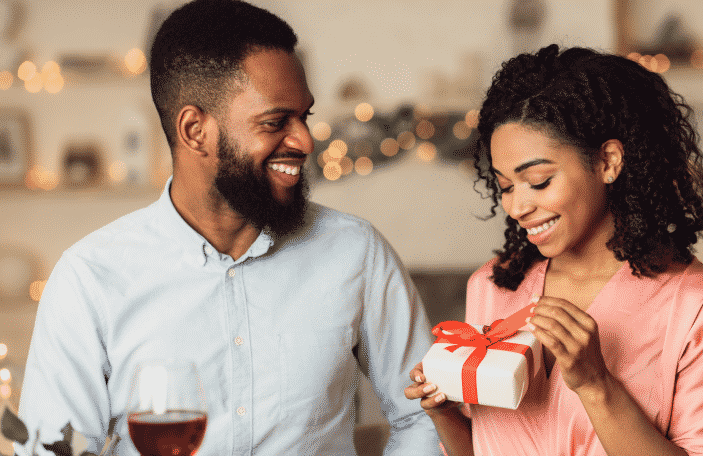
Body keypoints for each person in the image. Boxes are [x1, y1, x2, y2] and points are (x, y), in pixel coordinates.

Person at [18, 1, 440, 455]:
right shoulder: (90, 278)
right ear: (195, 130)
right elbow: (51, 449)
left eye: (304, 117)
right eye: (276, 122)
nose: (304, 140)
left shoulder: (356, 252)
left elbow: (425, 415)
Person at [405, 44, 703, 456]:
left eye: (538, 181)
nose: (517, 207)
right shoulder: (493, 285)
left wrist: (597, 385)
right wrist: (445, 414)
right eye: (504, 186)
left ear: (608, 161)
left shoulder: (700, 307)